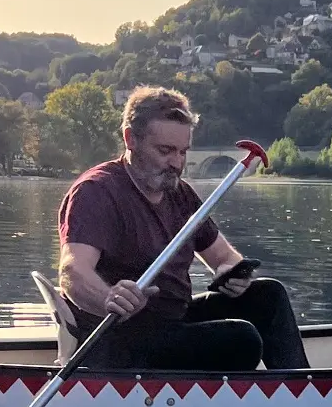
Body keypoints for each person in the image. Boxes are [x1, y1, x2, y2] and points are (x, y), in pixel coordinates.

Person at [56, 86, 310, 371]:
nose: (176, 163)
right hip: (118, 335)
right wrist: (108, 298)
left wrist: (230, 273)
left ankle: (302, 390)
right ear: (131, 139)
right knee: (241, 339)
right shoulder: (97, 191)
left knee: (269, 296)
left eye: (183, 152)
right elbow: (73, 273)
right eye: (165, 151)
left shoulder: (181, 195)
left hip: (171, 322)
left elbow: (224, 257)